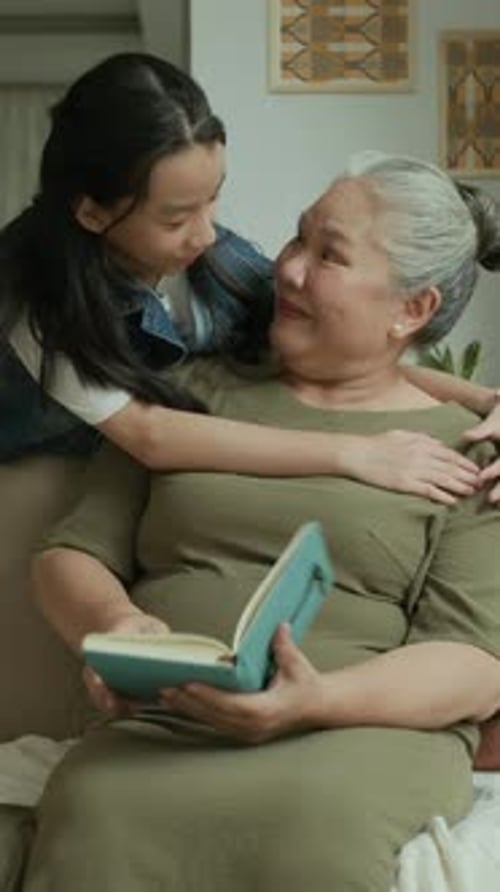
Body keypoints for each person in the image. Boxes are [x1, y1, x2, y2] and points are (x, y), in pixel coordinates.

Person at [23, 153, 500, 892]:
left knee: (313, 823)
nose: (290, 269)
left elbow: (474, 662)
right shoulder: (185, 397)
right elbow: (69, 555)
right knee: (96, 805)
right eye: (299, 238)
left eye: (330, 255)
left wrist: (316, 701)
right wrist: (114, 622)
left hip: (354, 736)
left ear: (412, 310)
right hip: (169, 719)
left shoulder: (468, 449)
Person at [0, 51, 493, 504]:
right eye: (175, 220)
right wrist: (356, 453)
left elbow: (337, 345)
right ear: (93, 214)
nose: (206, 235)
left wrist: (482, 399)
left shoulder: (219, 259)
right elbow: (150, 435)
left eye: (213, 197)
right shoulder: (44, 301)